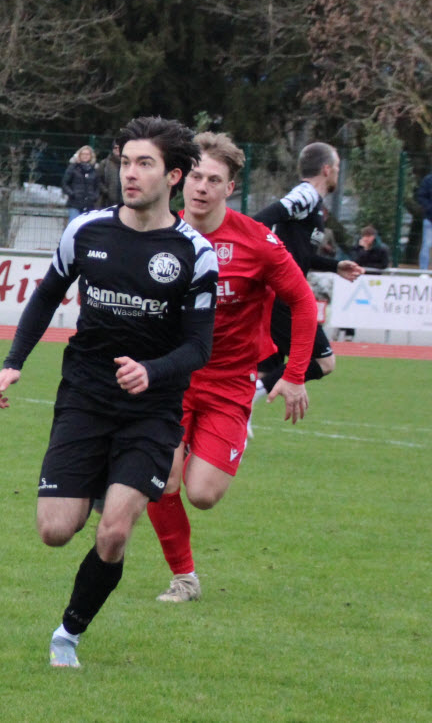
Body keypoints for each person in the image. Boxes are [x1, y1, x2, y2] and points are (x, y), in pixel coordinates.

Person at [0, 116, 218, 668]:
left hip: (152, 410)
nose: (130, 173)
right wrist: (13, 363)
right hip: (85, 399)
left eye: (145, 164)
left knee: (114, 532)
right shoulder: (85, 231)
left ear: (174, 176)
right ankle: (99, 486)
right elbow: (46, 296)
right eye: (126, 162)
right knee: (54, 531)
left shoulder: (194, 253)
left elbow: (198, 347)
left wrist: (152, 371)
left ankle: (67, 634)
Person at [146, 132, 317, 603]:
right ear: (180, 179)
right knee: (161, 479)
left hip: (228, 383)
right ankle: (184, 578)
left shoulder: (257, 242)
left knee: (202, 494)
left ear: (230, 188)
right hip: (170, 380)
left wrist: (295, 374)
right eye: (195, 176)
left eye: (213, 180)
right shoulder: (159, 233)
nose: (201, 187)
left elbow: (303, 302)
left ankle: (217, 438)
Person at [252, 143, 363, 398]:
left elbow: (298, 255)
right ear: (326, 169)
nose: (338, 172)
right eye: (336, 167)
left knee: (265, 371)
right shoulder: (306, 194)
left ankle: (239, 409)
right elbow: (260, 220)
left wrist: (334, 266)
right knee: (324, 362)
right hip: (282, 295)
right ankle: (248, 399)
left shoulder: (313, 203)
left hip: (276, 294)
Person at [61, 145, 100, 221]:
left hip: (89, 204)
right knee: (74, 224)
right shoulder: (72, 167)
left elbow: (97, 185)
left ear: (91, 156)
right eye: (83, 154)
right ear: (79, 155)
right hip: (75, 203)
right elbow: (65, 183)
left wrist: (95, 196)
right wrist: (72, 194)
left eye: (87, 154)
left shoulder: (94, 169)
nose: (85, 156)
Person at [96, 138, 122, 209]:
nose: (117, 150)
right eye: (115, 148)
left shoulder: (128, 164)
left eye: (120, 148)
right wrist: (106, 191)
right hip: (106, 202)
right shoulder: (104, 163)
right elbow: (98, 180)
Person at [416, 172, 432, 270]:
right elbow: (421, 196)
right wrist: (430, 208)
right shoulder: (428, 180)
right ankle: (423, 271)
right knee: (427, 245)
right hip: (430, 219)